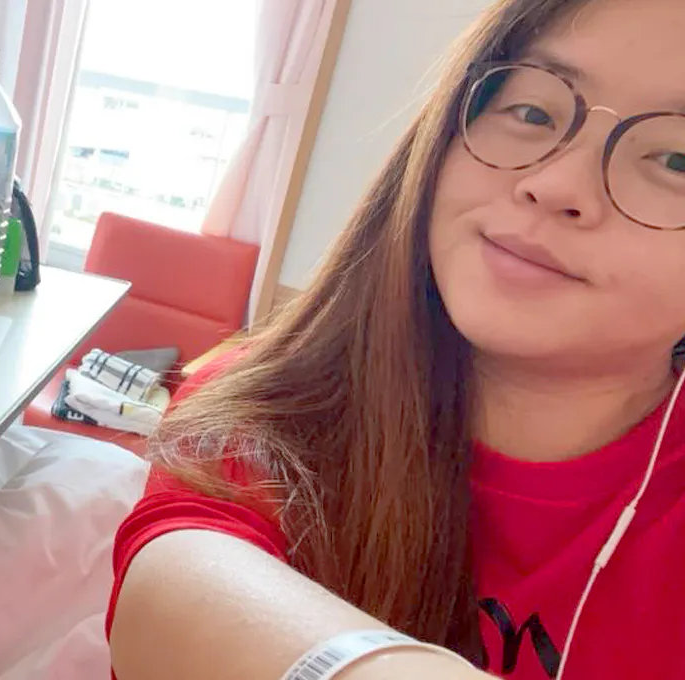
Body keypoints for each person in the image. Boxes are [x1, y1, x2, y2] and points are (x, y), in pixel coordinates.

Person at [107, 0, 685, 678]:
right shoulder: (271, 408)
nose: (553, 184)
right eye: (532, 112)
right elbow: (169, 600)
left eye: (676, 160)